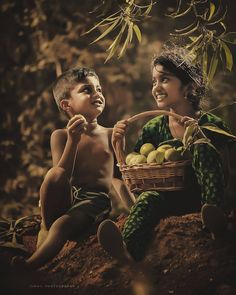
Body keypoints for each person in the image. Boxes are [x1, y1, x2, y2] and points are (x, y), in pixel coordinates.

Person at [97, 44, 236, 263]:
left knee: (201, 145)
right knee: (149, 198)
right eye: (154, 81)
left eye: (165, 79)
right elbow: (137, 182)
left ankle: (215, 224)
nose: (156, 86)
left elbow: (227, 175)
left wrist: (198, 136)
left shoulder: (210, 124)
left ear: (189, 87)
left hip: (202, 203)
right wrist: (118, 148)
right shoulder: (153, 128)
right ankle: (126, 251)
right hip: (168, 203)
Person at [12, 67, 133, 269]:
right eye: (87, 90)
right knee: (54, 173)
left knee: (61, 225)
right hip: (67, 197)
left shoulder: (112, 134)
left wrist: (134, 208)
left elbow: (118, 178)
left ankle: (30, 265)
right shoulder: (60, 136)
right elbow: (62, 176)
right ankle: (46, 227)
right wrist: (73, 141)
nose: (97, 94)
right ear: (66, 105)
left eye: (99, 89)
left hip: (94, 202)